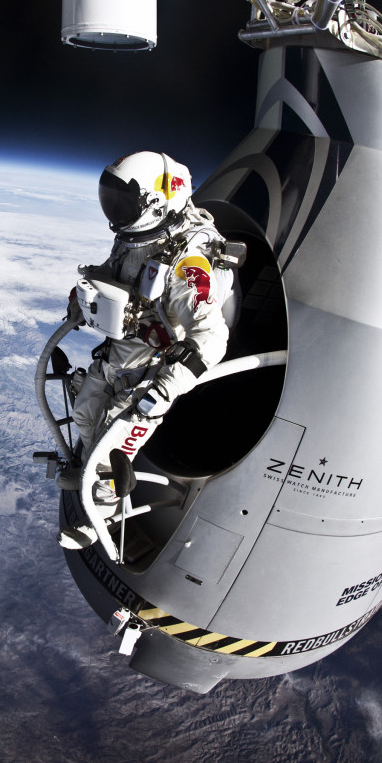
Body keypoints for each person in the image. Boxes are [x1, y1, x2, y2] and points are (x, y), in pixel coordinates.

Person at [57, 151, 232, 550]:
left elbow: (211, 337)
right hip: (122, 352)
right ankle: (86, 471)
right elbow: (111, 277)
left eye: (123, 202)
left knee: (110, 445)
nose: (114, 211)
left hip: (154, 369)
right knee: (85, 412)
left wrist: (166, 388)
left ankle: (98, 515)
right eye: (111, 200)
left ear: (157, 202)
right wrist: (80, 301)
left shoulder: (189, 263)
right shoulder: (135, 241)